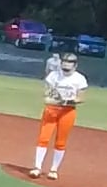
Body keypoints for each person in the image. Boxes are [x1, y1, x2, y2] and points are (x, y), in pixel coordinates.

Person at [32, 51, 88, 179]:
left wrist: (69, 101)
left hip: (68, 111)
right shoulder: (54, 75)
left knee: (61, 141)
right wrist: (54, 99)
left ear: (75, 65)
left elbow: (81, 98)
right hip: (52, 109)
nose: (66, 66)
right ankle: (37, 167)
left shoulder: (79, 79)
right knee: (43, 138)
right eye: (64, 63)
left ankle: (54, 169)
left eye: (69, 63)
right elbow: (48, 94)